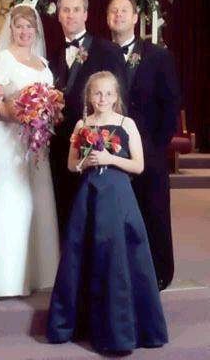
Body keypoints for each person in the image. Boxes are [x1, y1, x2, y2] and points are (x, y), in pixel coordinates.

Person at [47, 71, 168, 355]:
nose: (102, 99)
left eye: (108, 94)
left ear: (117, 97)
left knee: (117, 256)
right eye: (97, 93)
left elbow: (138, 166)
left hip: (118, 198)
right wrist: (85, 163)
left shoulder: (126, 124)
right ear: (89, 96)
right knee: (83, 255)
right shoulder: (82, 124)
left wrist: (110, 158)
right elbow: (70, 164)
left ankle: (124, 328)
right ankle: (81, 324)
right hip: (90, 195)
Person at [0, 4, 59, 297]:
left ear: (36, 31)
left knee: (37, 202)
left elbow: (51, 101)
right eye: (19, 26)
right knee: (12, 202)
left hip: (37, 144)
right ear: (11, 28)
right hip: (10, 142)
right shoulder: (2, 60)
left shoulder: (43, 63)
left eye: (29, 27)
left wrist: (49, 112)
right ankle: (3, 279)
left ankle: (39, 274)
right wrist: (15, 112)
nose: (24, 32)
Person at [107, 0, 180, 290]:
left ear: (136, 18)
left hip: (149, 149)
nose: (118, 16)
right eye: (113, 11)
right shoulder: (101, 53)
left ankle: (160, 271)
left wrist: (156, 146)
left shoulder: (158, 55)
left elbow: (172, 103)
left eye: (124, 11)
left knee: (154, 209)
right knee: (118, 211)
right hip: (111, 149)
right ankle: (121, 271)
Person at [49, 0, 126, 237]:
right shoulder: (52, 54)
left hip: (97, 146)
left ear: (86, 14)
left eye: (76, 10)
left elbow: (119, 98)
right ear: (58, 16)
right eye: (65, 10)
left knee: (95, 217)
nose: (70, 15)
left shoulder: (108, 49)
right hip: (61, 147)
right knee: (65, 213)